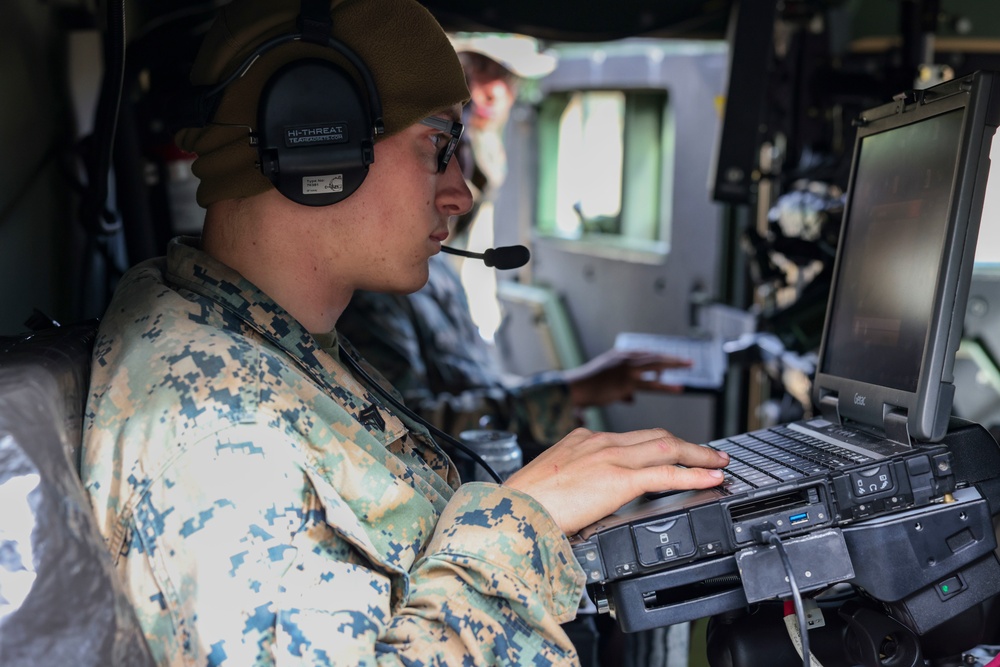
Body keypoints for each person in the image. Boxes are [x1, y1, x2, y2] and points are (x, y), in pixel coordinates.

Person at [81, 1, 730, 665]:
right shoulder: (218, 435)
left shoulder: (280, 345)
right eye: (438, 145)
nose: (461, 193)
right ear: (314, 134)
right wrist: (523, 519)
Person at [338, 34, 693, 463]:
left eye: (461, 152)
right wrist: (570, 390)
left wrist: (565, 392)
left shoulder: (436, 269)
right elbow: (410, 424)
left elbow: (470, 380)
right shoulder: (374, 287)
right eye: (437, 150)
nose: (460, 191)